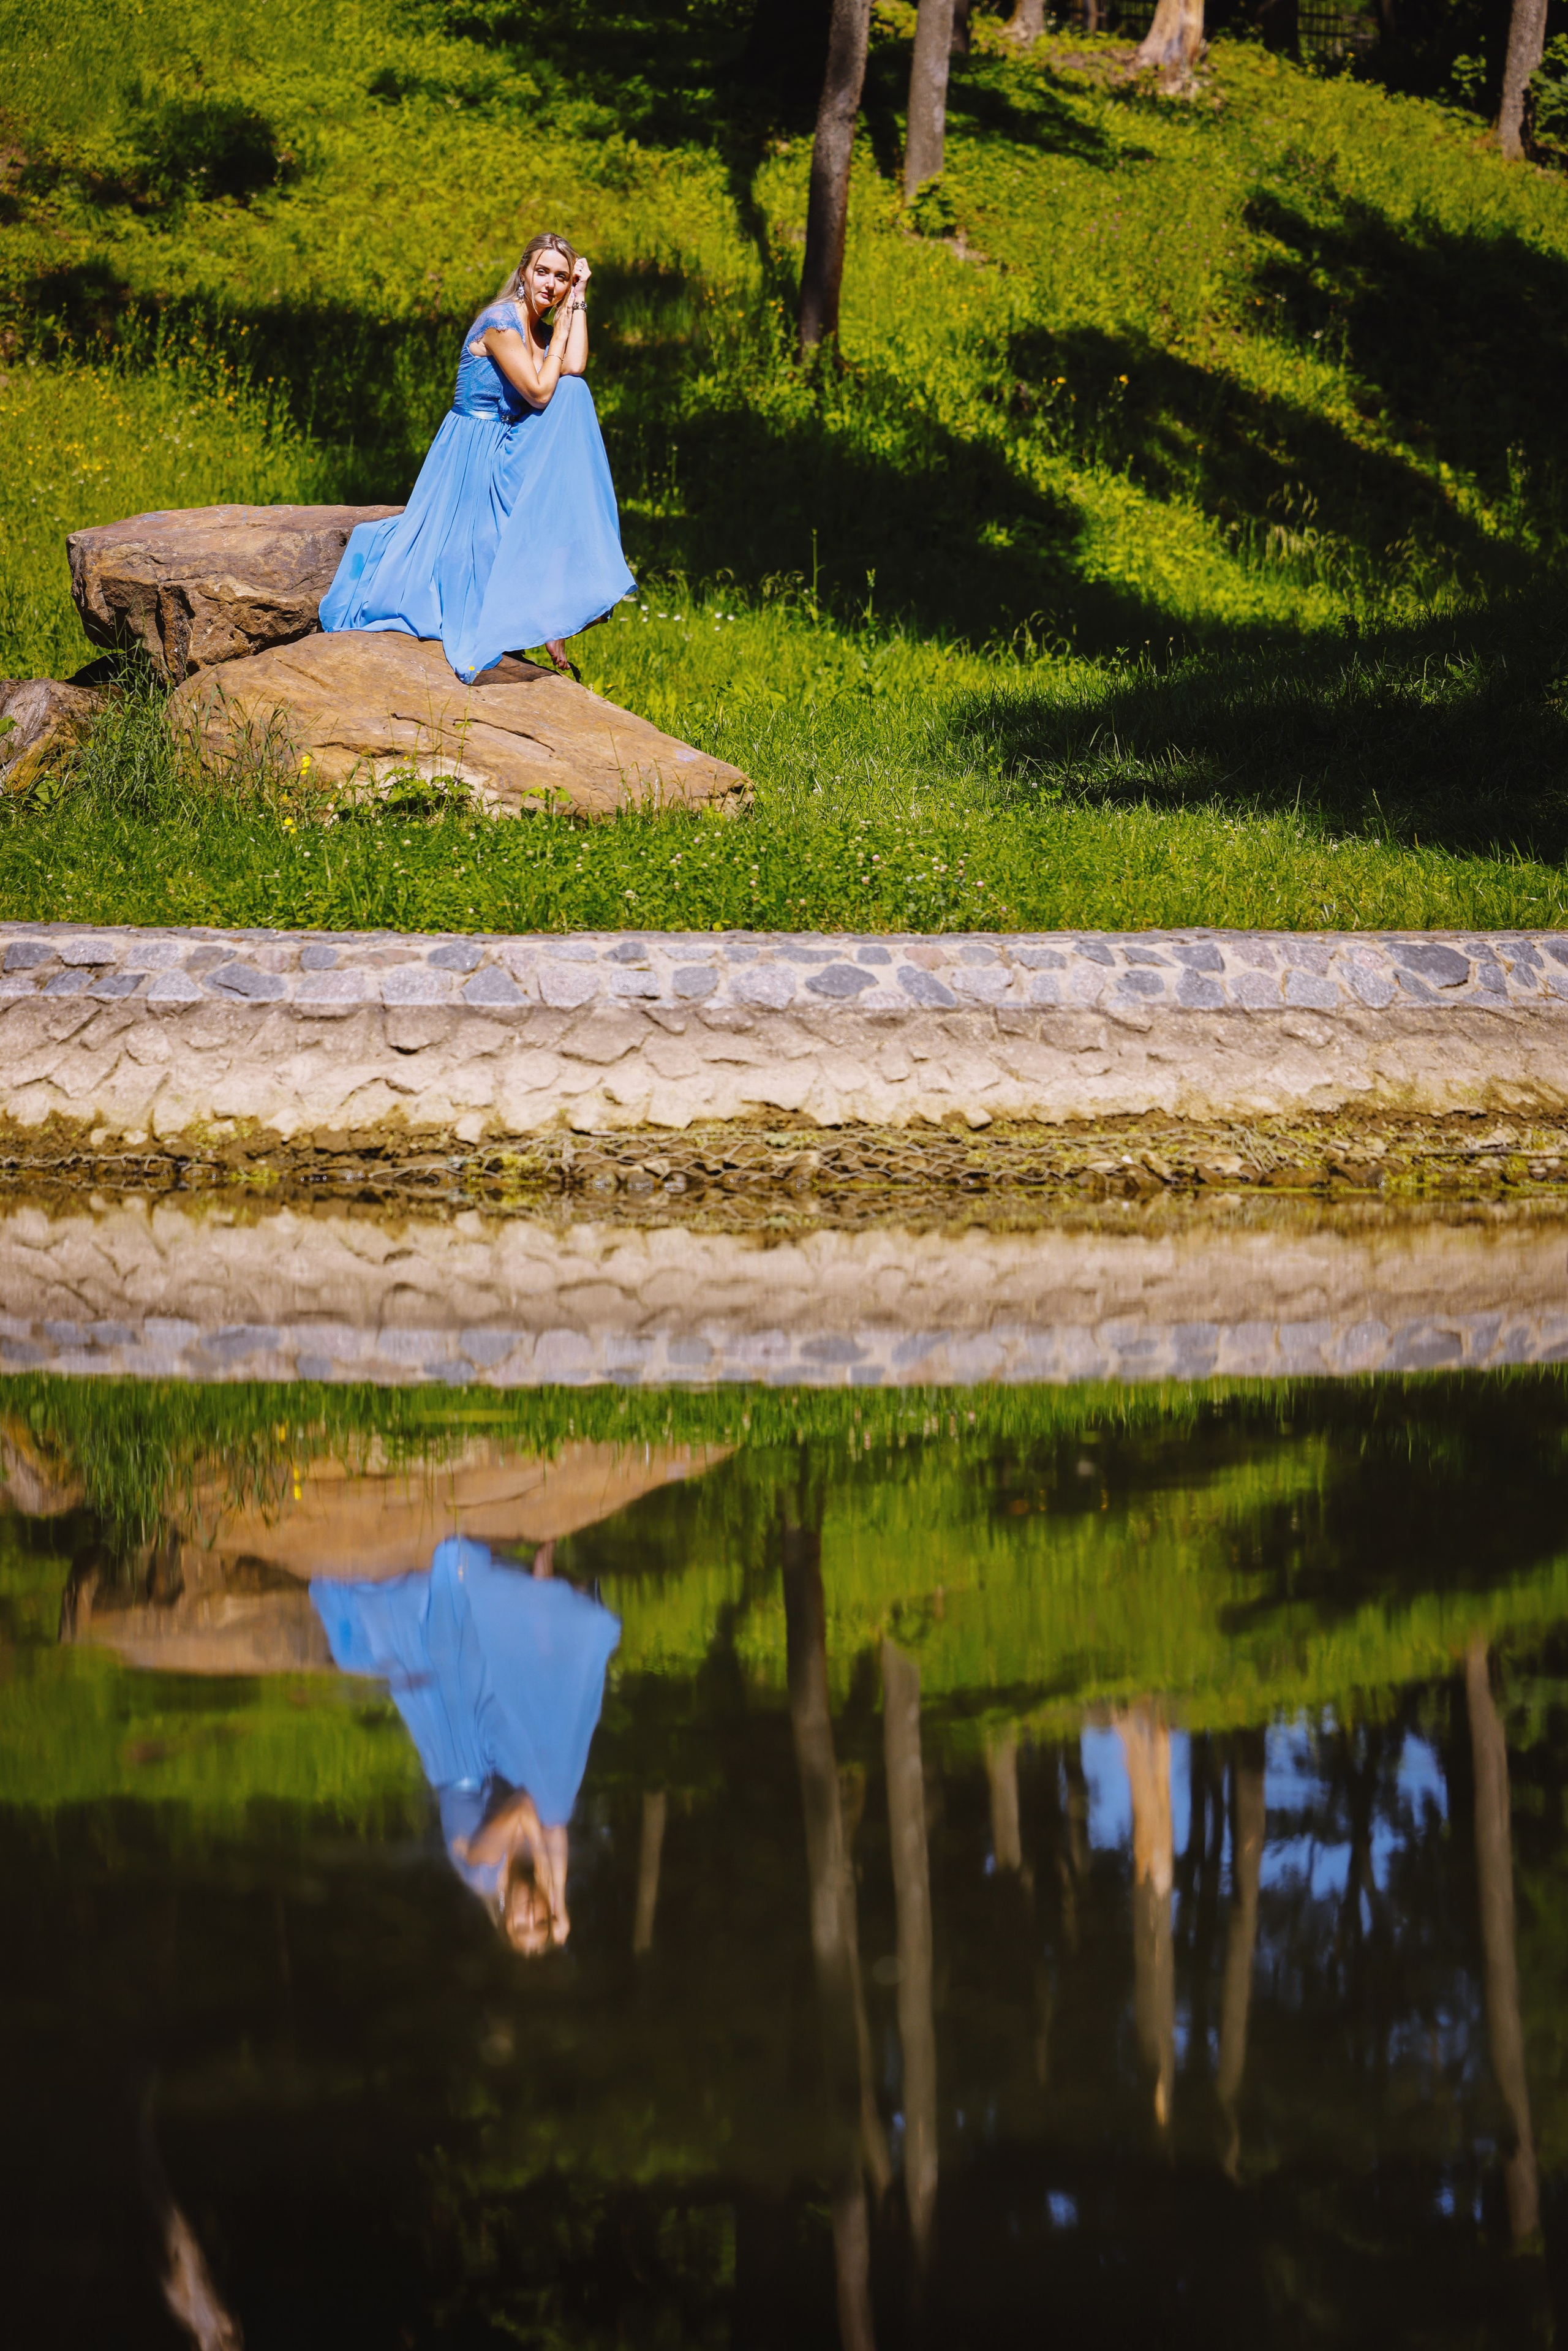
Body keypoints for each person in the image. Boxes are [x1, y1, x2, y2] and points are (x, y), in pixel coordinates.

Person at [318, 230, 635, 682]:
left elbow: (575, 366)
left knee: (576, 393)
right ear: (524, 272)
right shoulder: (500, 323)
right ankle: (546, 609)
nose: (550, 284)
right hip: (473, 452)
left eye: (561, 278)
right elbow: (541, 392)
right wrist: (563, 326)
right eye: (542, 271)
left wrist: (580, 298)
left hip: (508, 444)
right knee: (564, 395)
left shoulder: (542, 327)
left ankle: (554, 604)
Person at [310, 1536, 620, 1954]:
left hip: (456, 1749)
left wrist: (550, 1871)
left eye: (520, 1925)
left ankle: (513, 1597)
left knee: (550, 1795)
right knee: (557, 1791)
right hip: (500, 1757)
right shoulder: (536, 1863)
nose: (531, 1914)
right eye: (542, 1920)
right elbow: (552, 1820)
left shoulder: (481, 1871)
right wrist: (560, 1898)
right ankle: (545, 1602)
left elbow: (525, 1811)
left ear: (505, 1920)